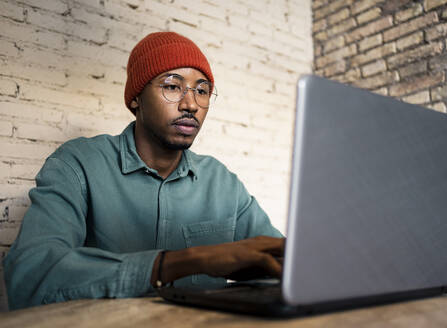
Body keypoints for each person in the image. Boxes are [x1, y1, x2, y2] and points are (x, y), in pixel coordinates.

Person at [3, 32, 284, 310]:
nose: (191, 105)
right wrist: (188, 261)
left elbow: (286, 263)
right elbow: (30, 278)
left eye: (202, 90)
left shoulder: (222, 183)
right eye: (172, 86)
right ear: (136, 97)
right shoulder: (78, 165)